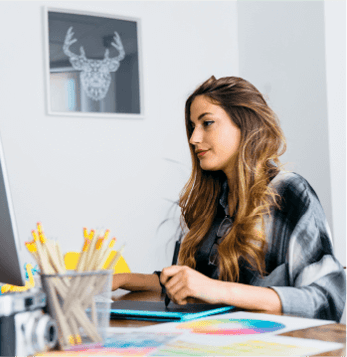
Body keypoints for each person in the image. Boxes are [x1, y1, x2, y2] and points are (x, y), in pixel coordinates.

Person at [112, 76, 346, 322]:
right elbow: (192, 284)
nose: (193, 139)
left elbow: (326, 301)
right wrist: (121, 279)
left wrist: (214, 290)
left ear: (245, 125)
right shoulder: (214, 202)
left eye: (207, 123)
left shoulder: (288, 193)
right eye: (193, 126)